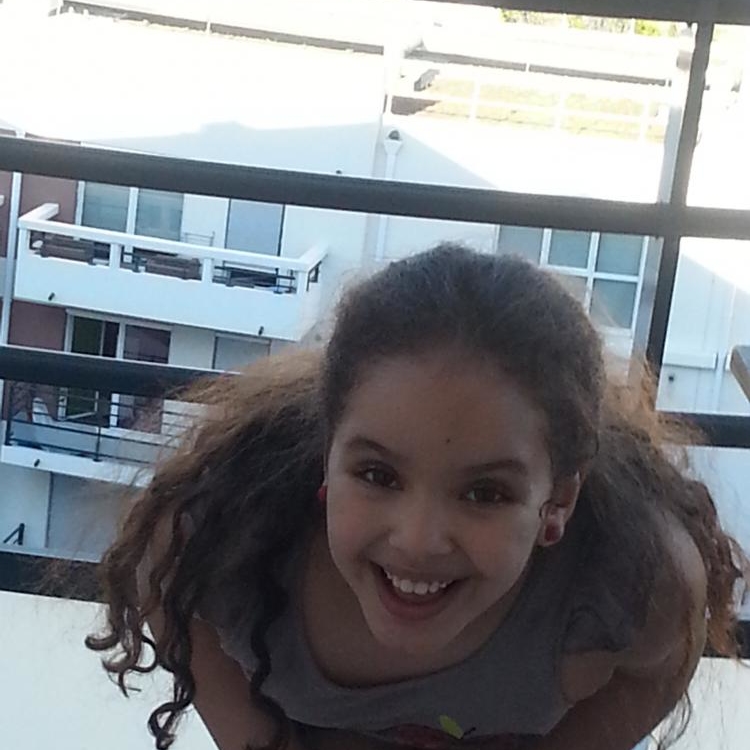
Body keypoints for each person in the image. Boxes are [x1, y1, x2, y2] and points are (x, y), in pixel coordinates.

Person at [87, 245, 747, 750]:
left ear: (559, 503)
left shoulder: (630, 586)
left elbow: (661, 661)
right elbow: (159, 580)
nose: (418, 539)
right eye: (378, 475)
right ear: (326, 457)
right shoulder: (213, 545)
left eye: (485, 493)